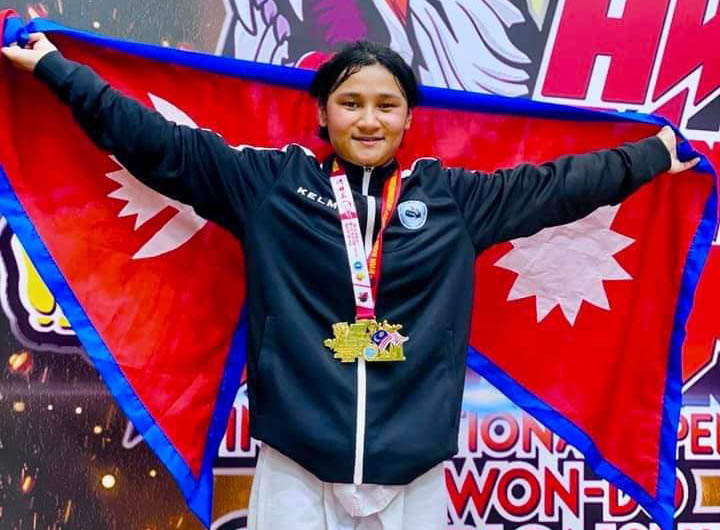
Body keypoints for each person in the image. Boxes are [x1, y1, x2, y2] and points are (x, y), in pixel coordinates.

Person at [2, 34, 699, 530]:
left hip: (415, 469)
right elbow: (156, 145)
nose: (369, 120)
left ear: (408, 118)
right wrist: (58, 71)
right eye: (351, 102)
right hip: (297, 462)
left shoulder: (452, 200)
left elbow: (561, 186)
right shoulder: (270, 186)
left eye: (386, 105)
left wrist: (654, 154)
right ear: (323, 113)